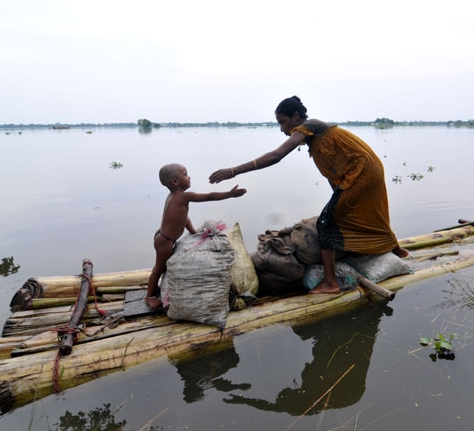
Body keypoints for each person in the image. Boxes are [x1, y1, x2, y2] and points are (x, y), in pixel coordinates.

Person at [209, 96, 407, 295]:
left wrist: (234, 171)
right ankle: (395, 249)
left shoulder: (309, 126)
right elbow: (334, 171)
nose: (282, 129)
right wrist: (336, 199)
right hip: (366, 170)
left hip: (361, 173)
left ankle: (331, 283)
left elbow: (276, 156)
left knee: (325, 224)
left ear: (296, 117)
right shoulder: (316, 135)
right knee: (362, 213)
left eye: (283, 122)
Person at [146, 163, 246, 309]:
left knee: (162, 267)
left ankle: (155, 288)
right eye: (186, 174)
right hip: (165, 242)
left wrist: (194, 232)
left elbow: (183, 218)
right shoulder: (184, 196)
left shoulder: (174, 197)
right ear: (175, 182)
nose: (189, 177)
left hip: (162, 237)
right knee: (159, 268)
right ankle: (149, 296)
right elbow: (209, 196)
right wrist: (229, 194)